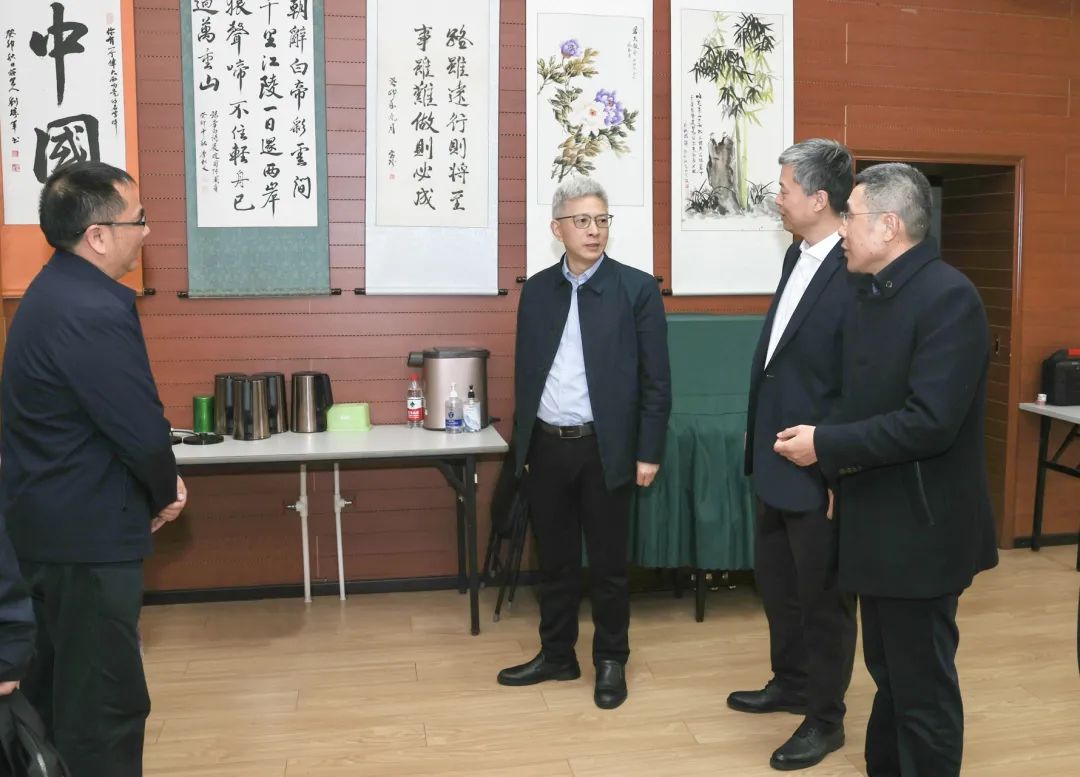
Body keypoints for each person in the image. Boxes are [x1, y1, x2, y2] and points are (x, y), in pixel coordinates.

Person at [774, 162, 999, 776]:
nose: (841, 228)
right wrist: (836, 477)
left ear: (889, 226)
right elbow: (862, 403)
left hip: (922, 533)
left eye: (850, 216)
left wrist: (827, 446)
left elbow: (930, 423)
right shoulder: (875, 293)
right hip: (878, 521)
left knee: (921, 688)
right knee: (890, 677)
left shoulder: (948, 298)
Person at [0, 161, 187, 777]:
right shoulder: (91, 309)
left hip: (49, 533)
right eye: (139, 220)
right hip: (85, 543)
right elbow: (136, 424)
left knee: (55, 700)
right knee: (104, 708)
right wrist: (166, 489)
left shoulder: (52, 293)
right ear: (98, 236)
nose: (148, 232)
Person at [497, 177, 671, 710]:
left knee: (610, 566)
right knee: (554, 561)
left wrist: (648, 451)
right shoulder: (537, 290)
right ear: (558, 229)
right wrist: (524, 447)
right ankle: (557, 654)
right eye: (582, 221)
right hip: (547, 446)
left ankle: (611, 660)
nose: (594, 231)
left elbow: (656, 381)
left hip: (606, 448)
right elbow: (527, 373)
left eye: (602, 220)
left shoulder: (636, 289)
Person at [728, 139, 857, 771]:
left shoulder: (854, 267)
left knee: (824, 599)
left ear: (819, 198)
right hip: (776, 457)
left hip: (817, 463)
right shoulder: (794, 255)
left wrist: (837, 465)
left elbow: (859, 380)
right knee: (779, 585)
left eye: (784, 189)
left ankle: (825, 718)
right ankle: (791, 682)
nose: (776, 198)